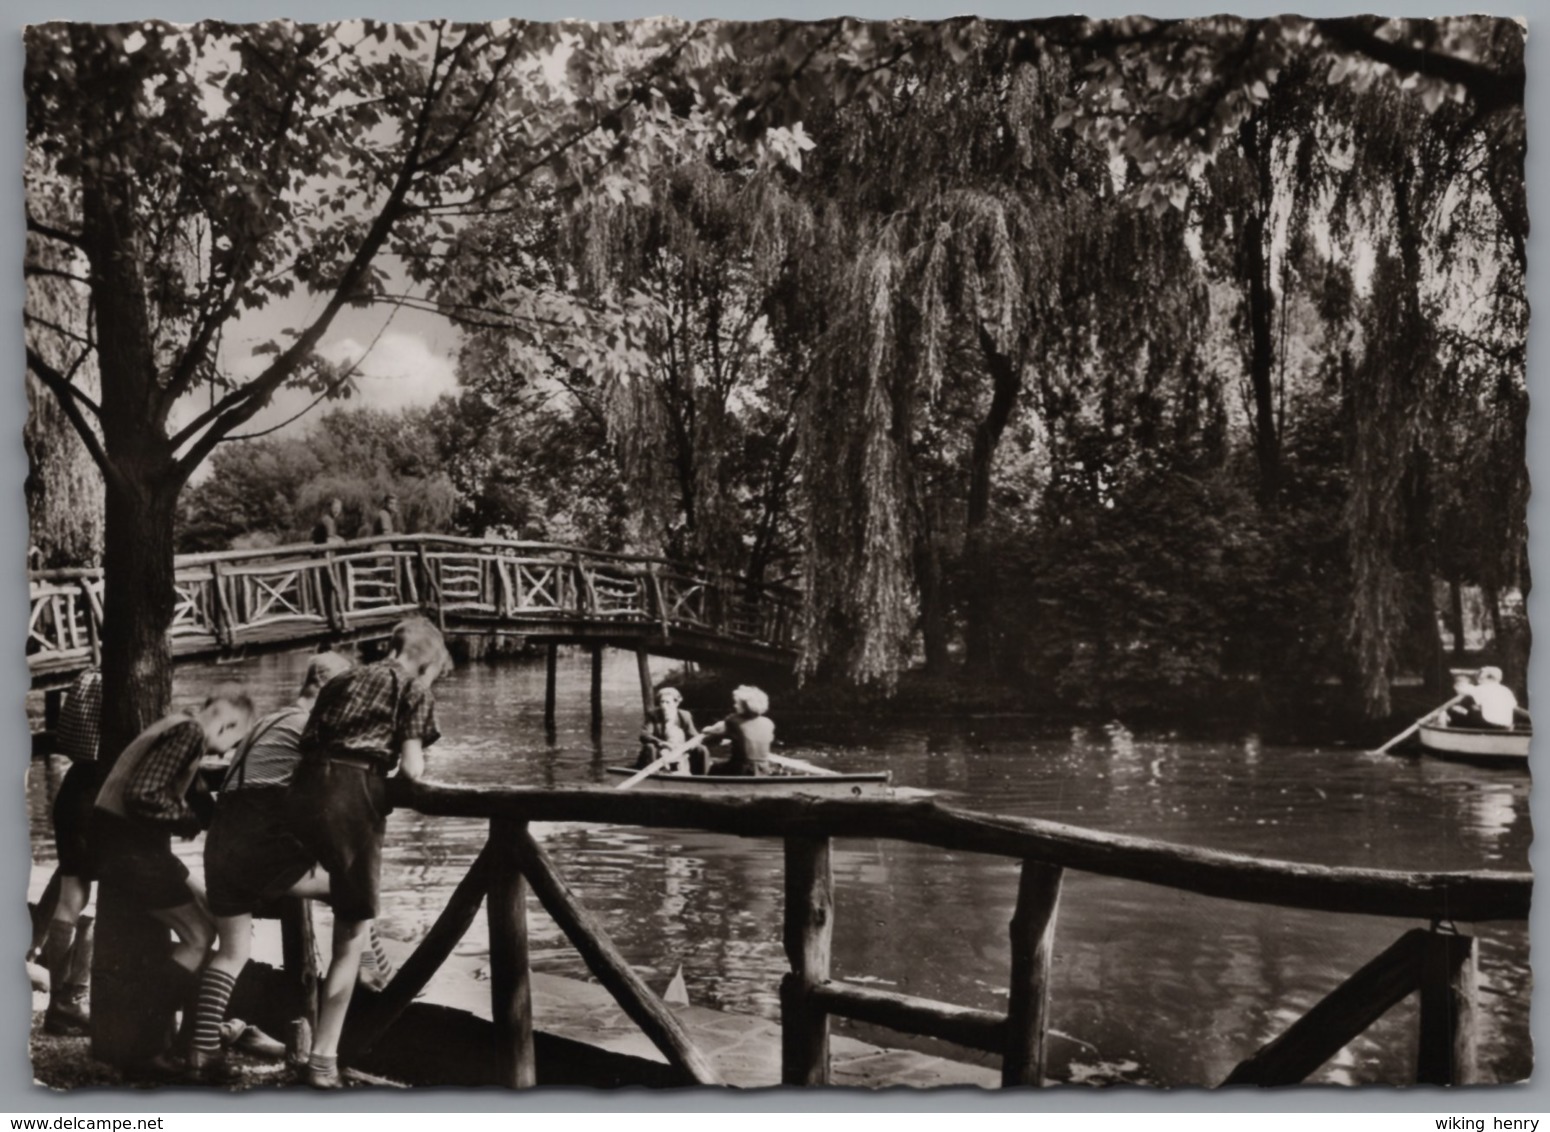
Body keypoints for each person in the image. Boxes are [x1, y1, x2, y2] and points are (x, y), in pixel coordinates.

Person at [285, 618, 450, 1088]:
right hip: (351, 794)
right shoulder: (413, 687)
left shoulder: (343, 677)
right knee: (351, 933)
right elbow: (414, 770)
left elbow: (307, 740)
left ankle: (318, 1022)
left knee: (318, 889)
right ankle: (322, 1061)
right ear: (428, 660)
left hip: (303, 789)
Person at [183, 652, 353, 1081]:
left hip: (222, 839)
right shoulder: (311, 728)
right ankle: (366, 970)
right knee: (352, 888)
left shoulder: (269, 721)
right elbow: (329, 789)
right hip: (258, 844)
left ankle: (201, 1052)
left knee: (233, 951)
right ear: (333, 691)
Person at [92, 684, 255, 1061]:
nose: (229, 750)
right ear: (228, 724)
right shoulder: (190, 734)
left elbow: (196, 795)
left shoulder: (179, 726)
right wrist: (186, 821)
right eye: (235, 740)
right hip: (129, 849)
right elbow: (143, 794)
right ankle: (146, 1049)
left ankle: (191, 1040)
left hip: (129, 845)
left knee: (215, 917)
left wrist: (216, 816)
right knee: (198, 936)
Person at [32, 666, 103, 1035]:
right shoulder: (116, 683)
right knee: (84, 906)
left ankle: (61, 1000)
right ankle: (71, 999)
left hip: (74, 790)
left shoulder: (88, 677)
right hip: (95, 796)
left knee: (72, 895)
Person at [698, 685, 775, 777]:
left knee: (714, 768)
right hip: (763, 769)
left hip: (741, 769)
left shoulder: (733, 720)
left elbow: (715, 732)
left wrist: (707, 729)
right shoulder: (768, 723)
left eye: (737, 703)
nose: (735, 706)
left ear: (746, 705)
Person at [635, 687, 704, 775]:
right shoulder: (653, 715)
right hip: (659, 750)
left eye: (667, 702)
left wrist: (687, 746)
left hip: (679, 749)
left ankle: (702, 777)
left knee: (701, 749)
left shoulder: (684, 716)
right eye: (661, 702)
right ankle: (653, 776)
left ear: (676, 703)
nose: (664, 706)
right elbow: (644, 735)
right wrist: (662, 743)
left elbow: (694, 736)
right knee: (650, 747)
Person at [1448, 666, 1521, 730]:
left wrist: (1438, 712)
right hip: (1505, 725)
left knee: (1453, 708)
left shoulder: (1478, 689)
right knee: (1473, 707)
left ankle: (1449, 730)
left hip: (1487, 725)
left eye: (1480, 678)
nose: (1478, 681)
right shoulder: (1507, 690)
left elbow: (1457, 697)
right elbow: (1515, 708)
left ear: (1486, 678)